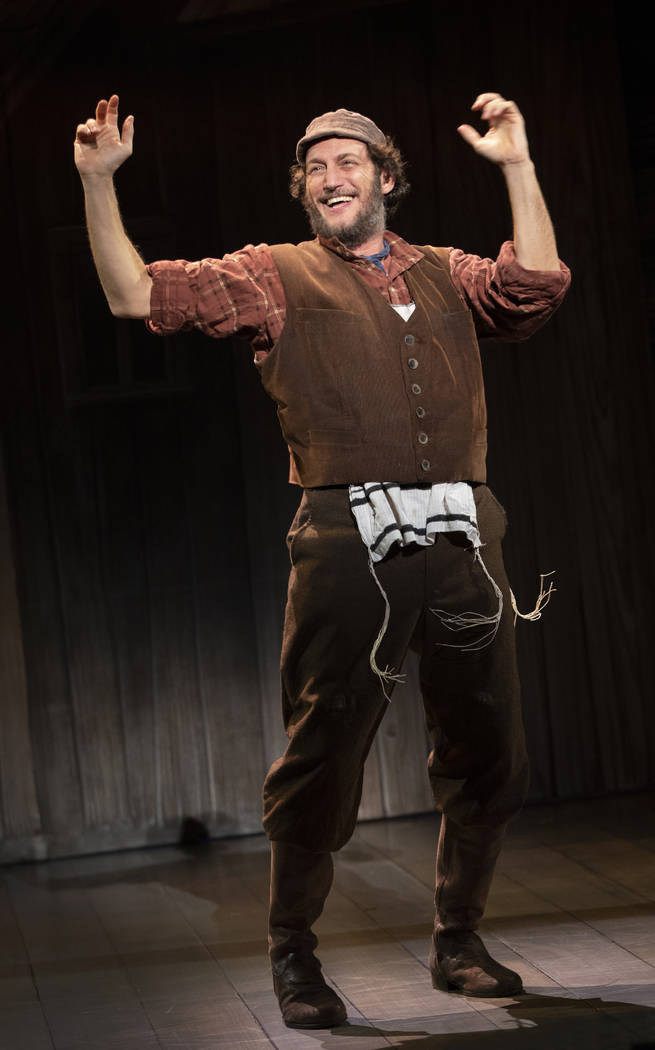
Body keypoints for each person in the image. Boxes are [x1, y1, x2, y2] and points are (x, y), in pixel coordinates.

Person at [74, 92, 570, 1030]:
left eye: (348, 163)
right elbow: (135, 293)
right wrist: (99, 184)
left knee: (491, 749)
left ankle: (456, 938)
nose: (330, 178)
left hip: (465, 534)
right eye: (314, 168)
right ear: (302, 190)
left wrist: (515, 165)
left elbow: (534, 290)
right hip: (348, 541)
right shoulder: (275, 273)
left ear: (385, 178)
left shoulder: (444, 271)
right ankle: (293, 955)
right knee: (322, 751)